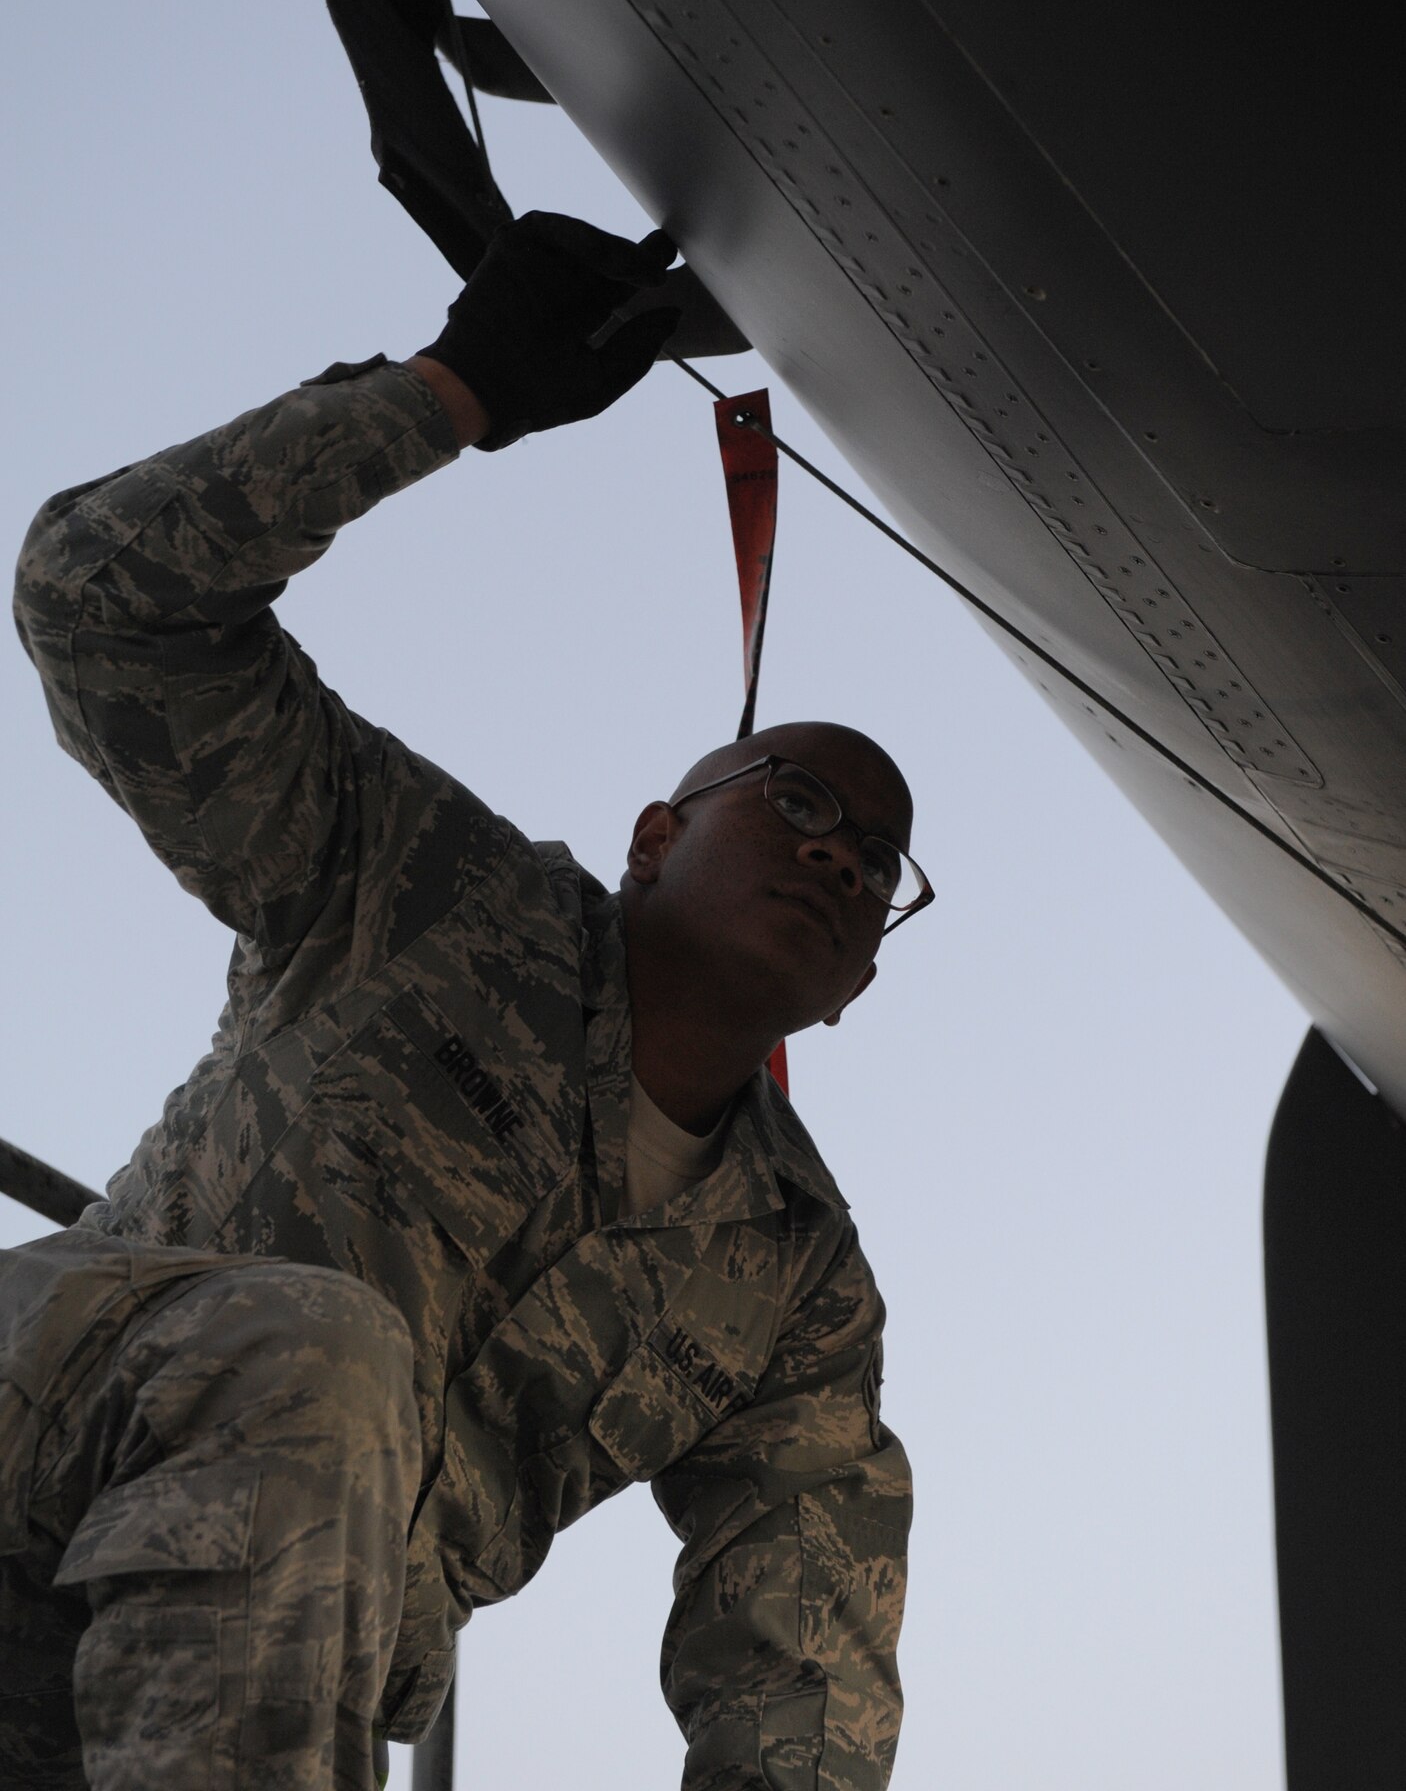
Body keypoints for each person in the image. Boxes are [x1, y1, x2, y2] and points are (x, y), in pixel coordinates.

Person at [1, 213, 920, 1790]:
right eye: (801, 804)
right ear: (655, 839)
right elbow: (102, 599)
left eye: (881, 867)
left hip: (261, 1694)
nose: (843, 860)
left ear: (856, 987)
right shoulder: (418, 885)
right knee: (319, 1344)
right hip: (44, 1462)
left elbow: (801, 1664)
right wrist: (450, 390)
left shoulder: (793, 1288)